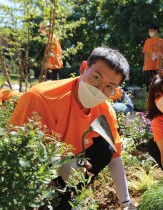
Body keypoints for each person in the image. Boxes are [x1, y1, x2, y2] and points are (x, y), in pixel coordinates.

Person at [10, 47, 136, 210]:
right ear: (83, 68)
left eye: (109, 87)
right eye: (96, 77)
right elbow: (16, 153)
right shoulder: (41, 98)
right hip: (38, 170)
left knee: (105, 148)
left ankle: (65, 198)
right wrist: (60, 166)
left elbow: (115, 156)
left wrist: (125, 202)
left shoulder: (105, 111)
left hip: (73, 165)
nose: (99, 89)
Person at [142, 24, 163, 90]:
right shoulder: (147, 41)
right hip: (148, 67)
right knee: (149, 84)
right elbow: (145, 54)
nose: (150, 32)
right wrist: (144, 66)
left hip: (158, 66)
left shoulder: (162, 41)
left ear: (156, 31)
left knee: (158, 83)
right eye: (149, 31)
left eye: (151, 30)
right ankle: (149, 97)